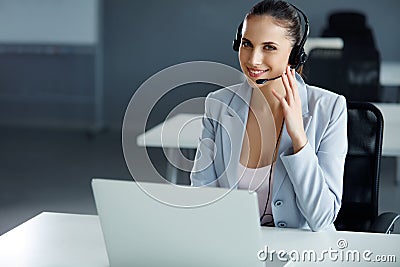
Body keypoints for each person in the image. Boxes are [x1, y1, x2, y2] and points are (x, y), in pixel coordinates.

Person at [190, 0, 348, 232]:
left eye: (269, 47)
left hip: (302, 251)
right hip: (235, 245)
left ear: (294, 56)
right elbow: (202, 196)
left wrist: (299, 140)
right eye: (247, 44)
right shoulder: (219, 104)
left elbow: (322, 218)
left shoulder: (330, 108)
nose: (253, 60)